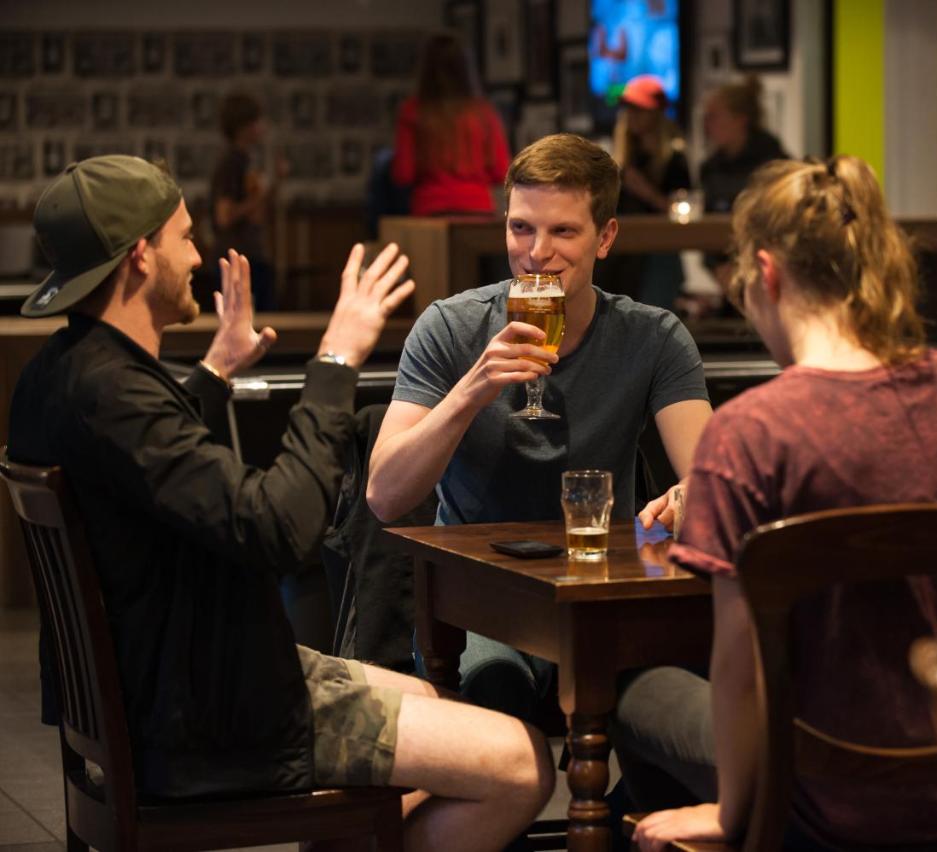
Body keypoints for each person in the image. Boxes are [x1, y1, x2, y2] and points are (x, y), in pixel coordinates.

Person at [9, 155, 553, 852]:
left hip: (188, 682)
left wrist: (215, 371)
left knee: (440, 704)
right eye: (184, 238)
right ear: (140, 256)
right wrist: (336, 362)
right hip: (219, 719)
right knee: (523, 764)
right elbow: (281, 529)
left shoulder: (60, 376)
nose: (197, 256)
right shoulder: (115, 394)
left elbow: (151, 472)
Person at [624, 156, 937, 851]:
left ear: (766, 273)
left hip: (820, 798)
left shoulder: (750, 431)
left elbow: (738, 667)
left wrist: (733, 812)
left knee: (633, 686)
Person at [366, 133, 712, 721]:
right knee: (496, 694)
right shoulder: (449, 327)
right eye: (521, 228)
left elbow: (711, 479)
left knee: (676, 702)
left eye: (563, 232)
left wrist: (688, 497)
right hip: (481, 600)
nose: (536, 253)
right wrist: (471, 391)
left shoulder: (653, 337)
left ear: (605, 237)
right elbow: (384, 495)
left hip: (599, 592)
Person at [391, 31, 510, 217]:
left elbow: (403, 174)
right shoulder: (484, 113)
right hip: (478, 208)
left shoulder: (413, 112)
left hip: (430, 208)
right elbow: (502, 171)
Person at [697, 75, 788, 314]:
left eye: (714, 116)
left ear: (740, 120)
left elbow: (780, 227)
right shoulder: (710, 168)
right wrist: (717, 267)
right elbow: (705, 225)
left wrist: (749, 269)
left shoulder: (775, 166)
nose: (707, 125)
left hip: (771, 279)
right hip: (727, 278)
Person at [604, 75, 692, 307]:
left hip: (658, 252)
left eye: (639, 109)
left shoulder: (674, 159)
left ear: (656, 114)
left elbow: (684, 211)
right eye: (628, 108)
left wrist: (647, 192)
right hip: (621, 251)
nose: (631, 115)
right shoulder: (621, 160)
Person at [210, 91, 281, 310]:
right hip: (236, 256)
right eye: (256, 121)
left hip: (249, 255)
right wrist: (258, 199)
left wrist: (276, 182)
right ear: (244, 126)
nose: (261, 127)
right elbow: (224, 216)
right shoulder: (232, 163)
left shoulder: (244, 160)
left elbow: (257, 212)